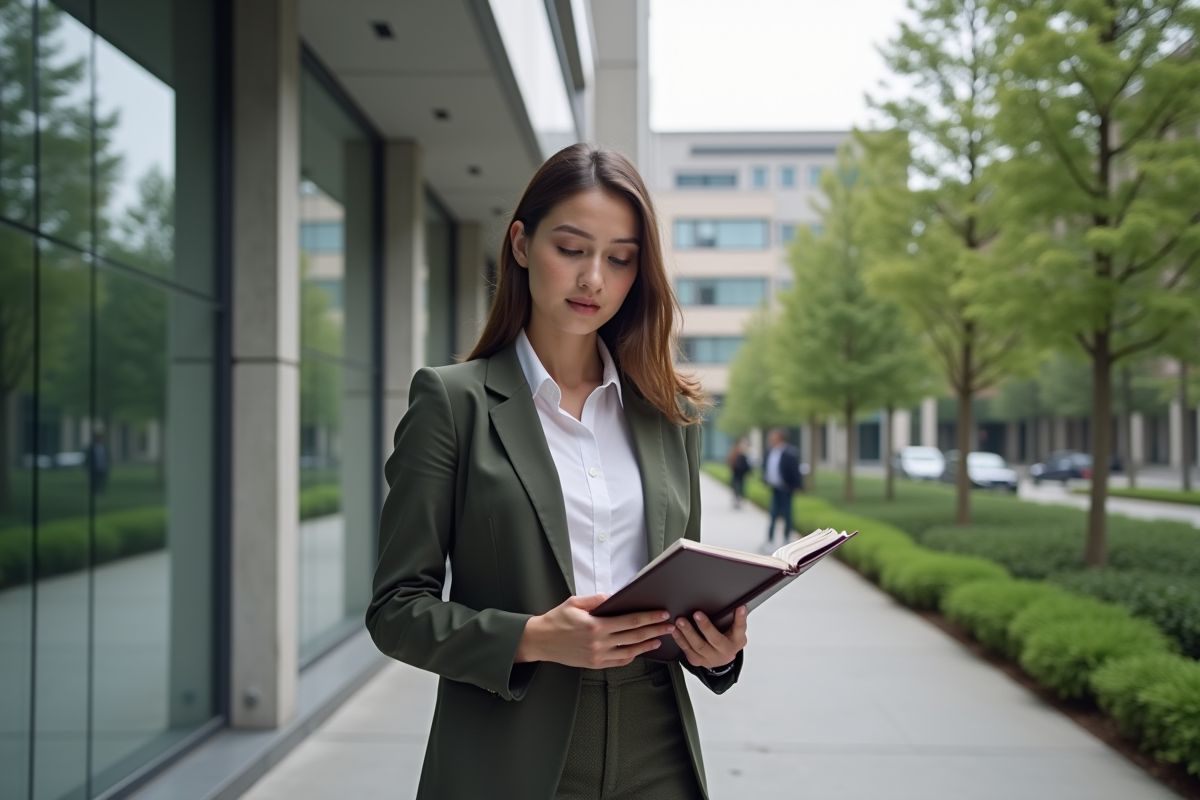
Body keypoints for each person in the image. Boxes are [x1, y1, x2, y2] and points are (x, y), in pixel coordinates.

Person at [367, 143, 748, 800]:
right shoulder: (451, 403)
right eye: (571, 249)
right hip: (510, 750)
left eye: (619, 258)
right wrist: (533, 637)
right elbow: (396, 611)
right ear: (520, 244)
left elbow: (680, 583)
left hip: (655, 742)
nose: (593, 278)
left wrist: (717, 650)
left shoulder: (670, 413)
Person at [763, 428, 802, 546]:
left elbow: (795, 471)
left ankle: (786, 537)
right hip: (775, 488)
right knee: (773, 514)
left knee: (787, 514)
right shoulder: (770, 452)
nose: (770, 440)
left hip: (786, 488)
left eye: (773, 437)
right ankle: (770, 539)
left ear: (779, 438)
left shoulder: (790, 452)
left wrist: (797, 486)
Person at [727, 440, 751, 508]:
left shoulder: (736, 455)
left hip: (737, 475)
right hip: (739, 475)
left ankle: (737, 500)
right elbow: (745, 466)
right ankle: (737, 501)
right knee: (738, 488)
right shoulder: (740, 456)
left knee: (737, 488)